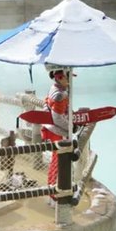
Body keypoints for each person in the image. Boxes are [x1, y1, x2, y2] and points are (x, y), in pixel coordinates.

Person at [41, 67, 74, 195]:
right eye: (68, 78)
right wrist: (70, 127)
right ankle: (54, 191)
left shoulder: (54, 89)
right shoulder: (60, 95)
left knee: (57, 161)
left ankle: (52, 188)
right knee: (58, 162)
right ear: (60, 78)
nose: (70, 81)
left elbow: (45, 104)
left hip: (52, 129)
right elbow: (57, 118)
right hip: (58, 131)